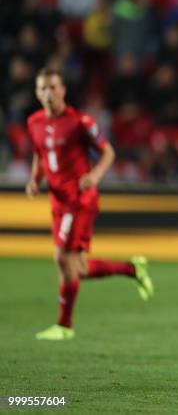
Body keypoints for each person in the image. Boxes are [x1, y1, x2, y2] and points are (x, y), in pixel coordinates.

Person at [26, 68, 153, 341]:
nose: (48, 94)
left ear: (63, 90)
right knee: (77, 268)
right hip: (58, 201)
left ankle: (64, 325)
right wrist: (34, 179)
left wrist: (93, 176)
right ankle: (133, 268)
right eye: (43, 89)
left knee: (61, 258)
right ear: (37, 93)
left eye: (53, 88)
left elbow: (108, 152)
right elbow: (40, 154)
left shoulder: (79, 121)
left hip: (79, 199)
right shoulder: (33, 122)